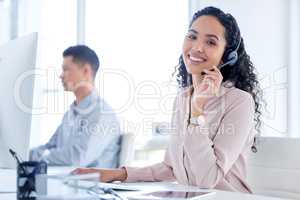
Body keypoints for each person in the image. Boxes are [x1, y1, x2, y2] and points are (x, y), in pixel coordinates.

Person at [72, 7, 262, 193]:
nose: (197, 47)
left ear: (226, 56)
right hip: (190, 195)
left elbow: (207, 179)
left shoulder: (239, 101)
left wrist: (197, 111)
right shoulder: (183, 98)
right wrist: (115, 174)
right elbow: (171, 168)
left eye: (211, 42)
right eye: (192, 36)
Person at [30, 45, 121, 168]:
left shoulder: (102, 113)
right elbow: (50, 146)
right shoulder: (71, 113)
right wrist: (25, 154)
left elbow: (76, 158)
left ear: (86, 71)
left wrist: (42, 156)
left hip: (90, 186)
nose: (61, 75)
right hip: (66, 182)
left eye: (66, 69)